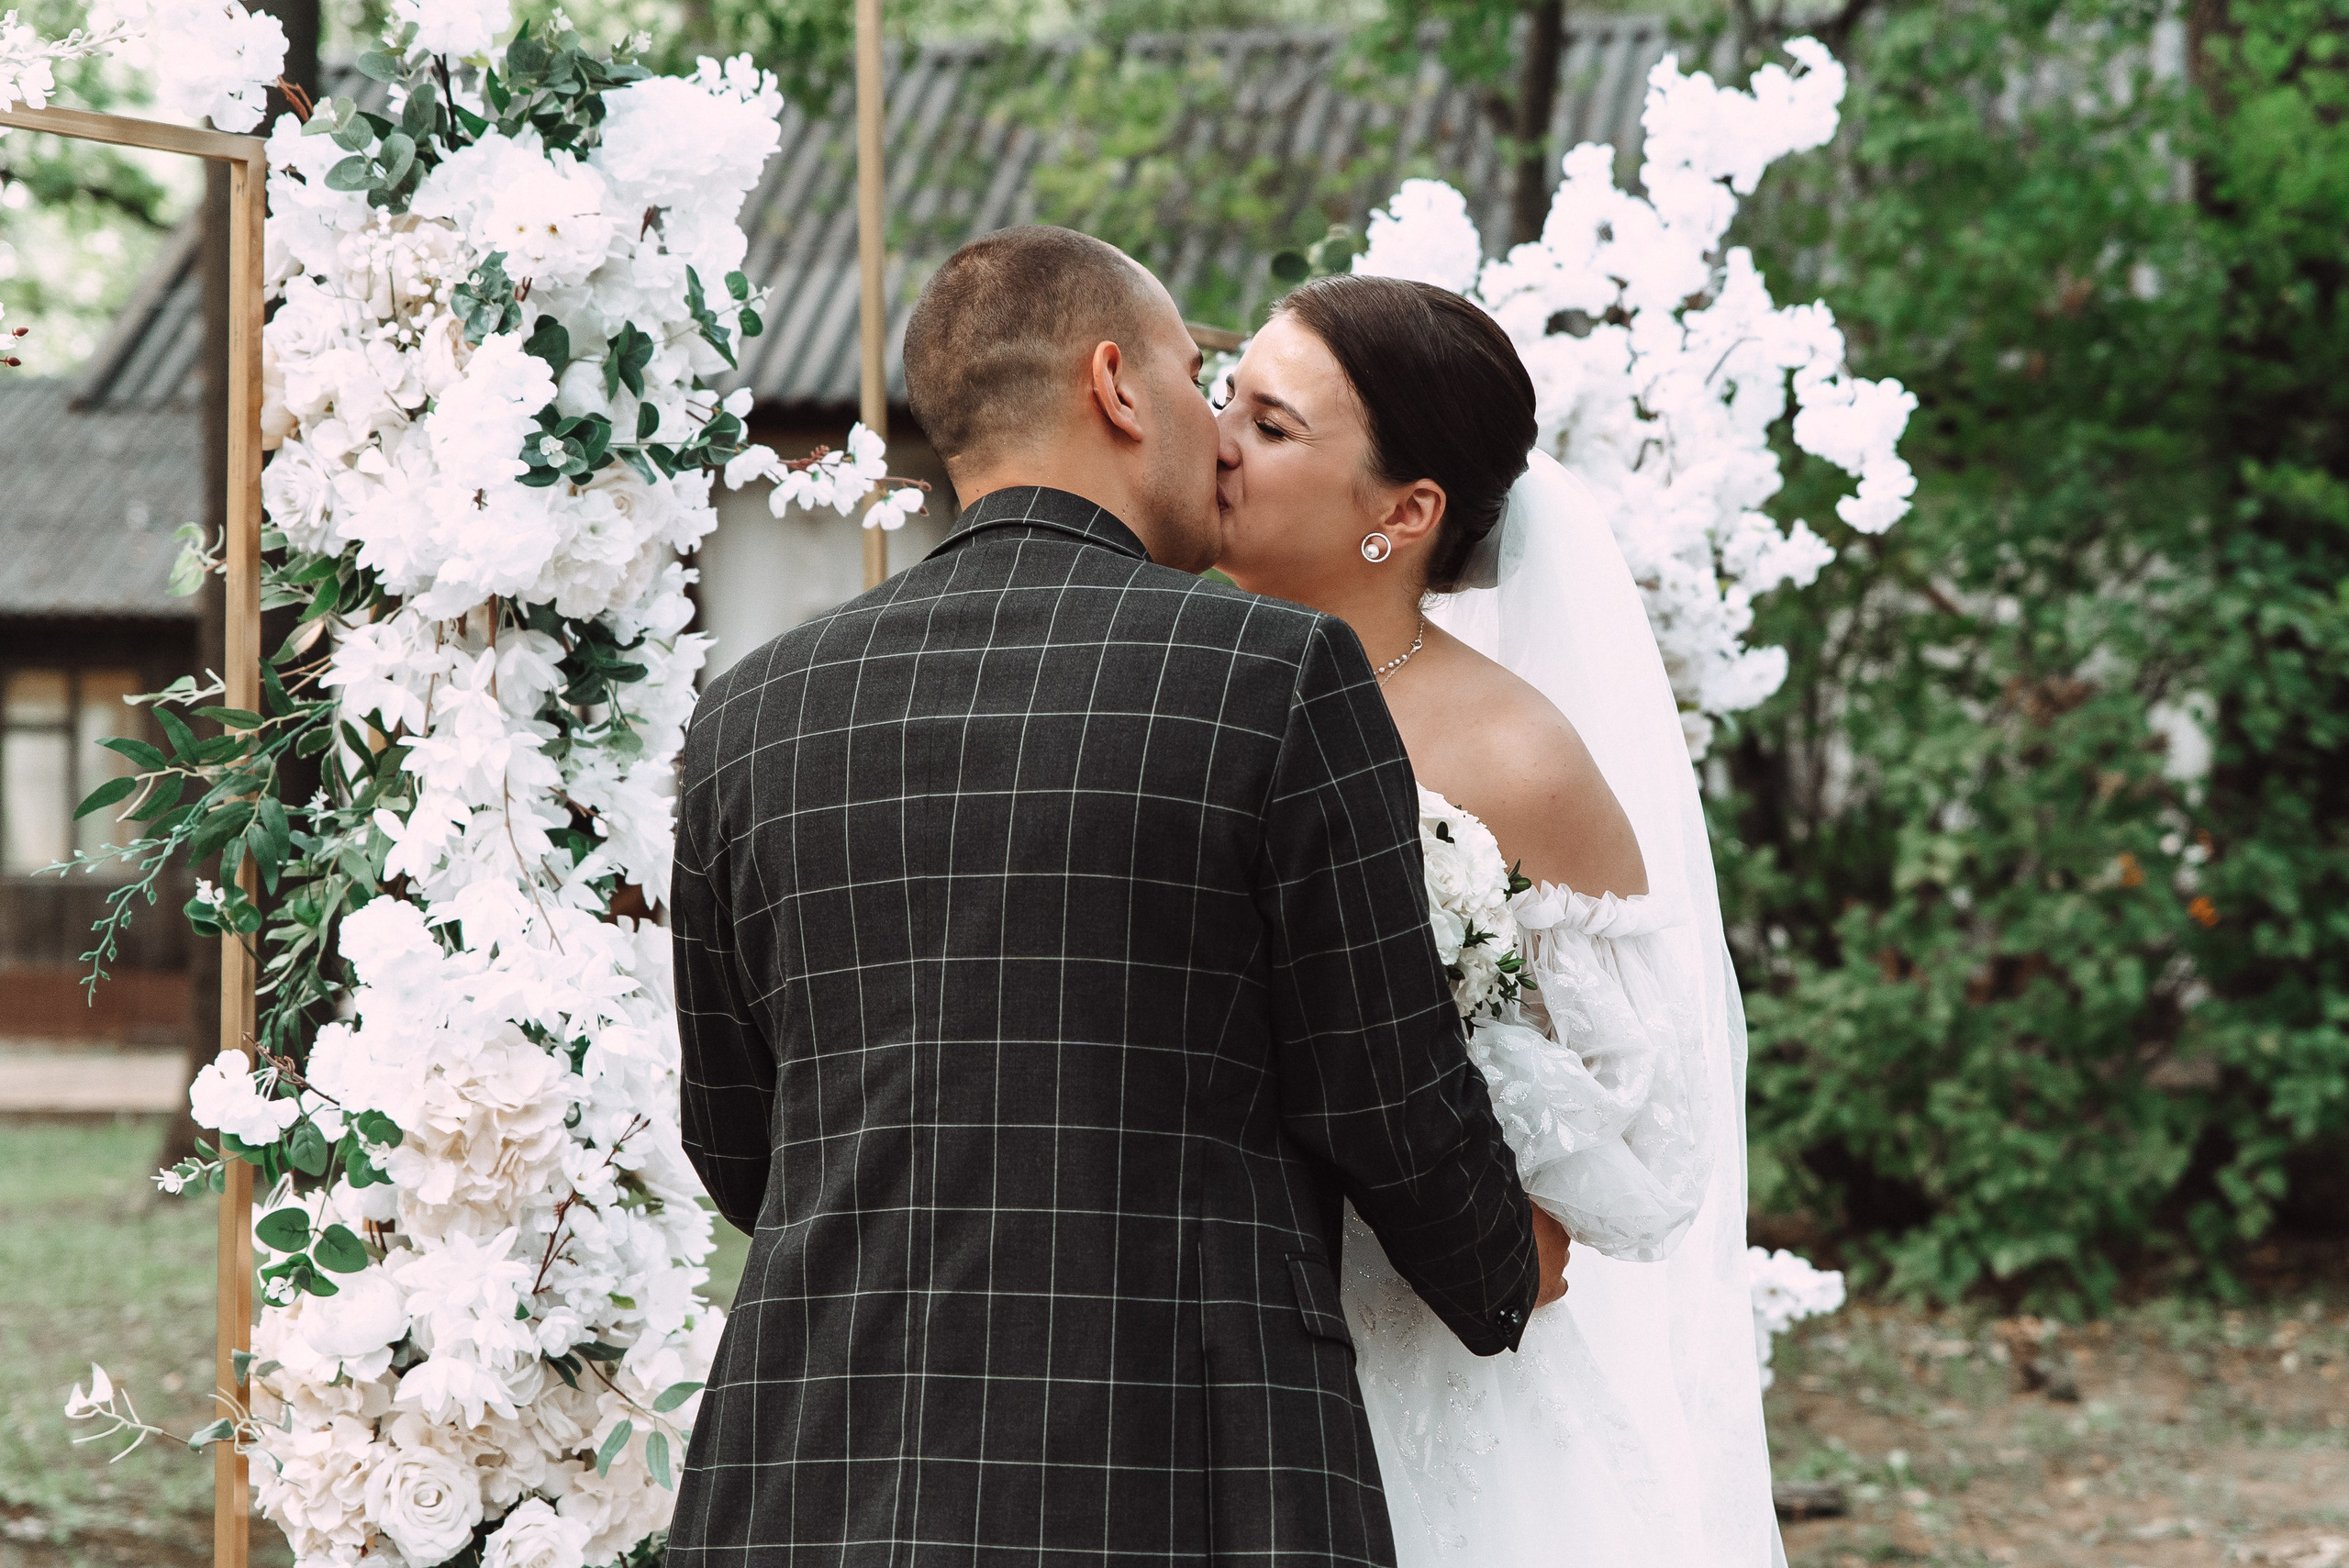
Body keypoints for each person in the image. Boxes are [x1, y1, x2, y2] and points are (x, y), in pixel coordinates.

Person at [664, 227, 1564, 1566]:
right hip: (1177, 1462)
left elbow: (741, 1143)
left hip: (816, 1461)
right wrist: (1505, 1267)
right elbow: (1383, 1095)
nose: (1221, 434)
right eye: (1203, 384)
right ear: (1117, 386)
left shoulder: (748, 715)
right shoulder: (1274, 674)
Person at [1212, 273, 1784, 1565]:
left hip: (1420, 1350)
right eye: (1224, 398)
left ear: (1403, 512)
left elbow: (1638, 1110)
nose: (1220, 442)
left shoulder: (1518, 757)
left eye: (1274, 424)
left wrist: (1481, 1169)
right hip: (1178, 1346)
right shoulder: (1161, 666)